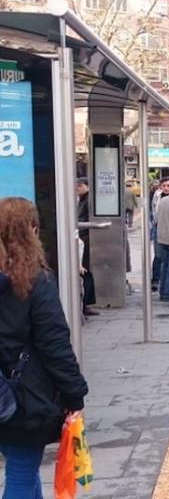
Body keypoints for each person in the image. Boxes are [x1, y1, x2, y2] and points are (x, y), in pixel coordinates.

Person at [0, 197, 88, 497]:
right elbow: (55, 345)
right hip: (25, 396)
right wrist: (75, 394)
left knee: (22, 465)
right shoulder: (34, 282)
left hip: (3, 394)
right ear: (32, 232)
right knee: (21, 473)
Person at [76, 178, 97, 316]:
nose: (77, 187)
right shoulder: (81, 199)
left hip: (86, 237)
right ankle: (86, 303)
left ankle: (86, 303)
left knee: (85, 270)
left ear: (88, 186)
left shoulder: (88, 200)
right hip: (83, 236)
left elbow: (88, 219)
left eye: (80, 185)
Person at [150, 177, 169, 292]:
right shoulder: (156, 196)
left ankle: (166, 281)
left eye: (168, 186)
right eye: (164, 186)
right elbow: (152, 210)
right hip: (158, 227)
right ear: (160, 187)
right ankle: (155, 280)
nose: (166, 188)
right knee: (158, 256)